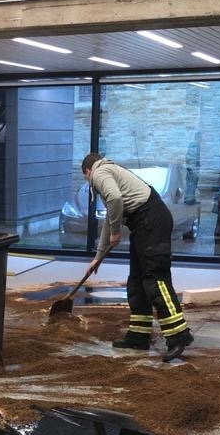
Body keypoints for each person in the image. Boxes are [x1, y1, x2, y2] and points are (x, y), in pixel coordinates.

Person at [81, 152, 193, 362]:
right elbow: (110, 217)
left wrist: (116, 232)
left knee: (155, 279)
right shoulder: (111, 171)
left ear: (87, 171)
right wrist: (98, 257)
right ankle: (139, 336)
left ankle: (178, 336)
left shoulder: (99, 173)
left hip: (151, 221)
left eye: (87, 178)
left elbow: (115, 199)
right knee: (137, 282)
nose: (90, 183)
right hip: (144, 224)